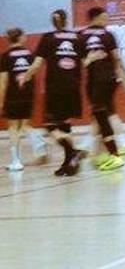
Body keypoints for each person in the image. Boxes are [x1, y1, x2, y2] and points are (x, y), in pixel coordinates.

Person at [22, 10, 89, 175]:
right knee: (65, 125)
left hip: (55, 88)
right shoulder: (78, 38)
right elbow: (86, 62)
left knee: (51, 126)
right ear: (66, 21)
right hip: (73, 87)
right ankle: (69, 165)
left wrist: (26, 77)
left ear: (53, 23)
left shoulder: (48, 38)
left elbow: (37, 64)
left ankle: (74, 151)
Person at [80, 6, 125, 171]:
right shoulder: (107, 35)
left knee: (101, 114)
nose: (107, 19)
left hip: (99, 81)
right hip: (106, 80)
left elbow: (82, 62)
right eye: (104, 16)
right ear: (95, 17)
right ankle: (108, 150)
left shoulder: (81, 35)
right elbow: (117, 59)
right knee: (105, 114)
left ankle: (107, 151)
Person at [1, 28, 41, 171]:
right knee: (23, 126)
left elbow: (4, 81)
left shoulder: (5, 56)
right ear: (19, 38)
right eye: (24, 35)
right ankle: (36, 137)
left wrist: (1, 101)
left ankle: (16, 161)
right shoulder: (30, 54)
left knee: (13, 128)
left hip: (13, 96)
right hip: (27, 94)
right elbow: (34, 74)